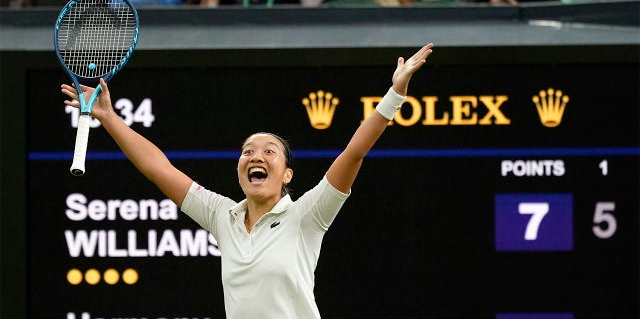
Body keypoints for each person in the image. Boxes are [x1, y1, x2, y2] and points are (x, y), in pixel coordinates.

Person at [61, 43, 434, 319]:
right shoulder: (222, 216)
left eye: (269, 151)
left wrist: (394, 95)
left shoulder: (307, 215)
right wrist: (108, 117)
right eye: (247, 151)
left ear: (288, 174)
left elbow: (353, 153)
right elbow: (160, 169)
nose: (256, 156)